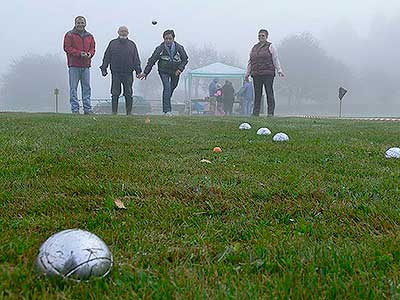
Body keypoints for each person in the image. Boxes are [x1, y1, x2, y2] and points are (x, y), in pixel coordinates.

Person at [138, 30, 188, 116]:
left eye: (170, 38)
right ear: (163, 39)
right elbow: (152, 61)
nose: (168, 40)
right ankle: (167, 111)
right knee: (167, 87)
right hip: (163, 71)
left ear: (173, 39)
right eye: (166, 39)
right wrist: (145, 73)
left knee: (172, 87)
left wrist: (180, 69)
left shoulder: (179, 48)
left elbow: (185, 59)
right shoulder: (159, 49)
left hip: (176, 72)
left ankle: (166, 101)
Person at [100, 26, 142, 115]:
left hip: (128, 73)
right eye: (122, 31)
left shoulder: (132, 44)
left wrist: (138, 71)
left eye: (125, 31)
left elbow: (136, 59)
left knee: (128, 93)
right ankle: (114, 112)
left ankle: (129, 112)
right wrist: (104, 68)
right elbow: (107, 57)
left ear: (128, 33)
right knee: (115, 93)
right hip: (116, 72)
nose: (123, 33)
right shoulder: (112, 43)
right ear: (118, 32)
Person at [246, 29, 284, 117]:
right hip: (256, 74)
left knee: (269, 92)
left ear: (266, 36)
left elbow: (275, 58)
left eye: (262, 35)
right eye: (259, 36)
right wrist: (247, 74)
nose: (260, 37)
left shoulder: (270, 46)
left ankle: (270, 113)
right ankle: (255, 113)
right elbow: (250, 61)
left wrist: (279, 70)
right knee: (257, 94)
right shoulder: (254, 47)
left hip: (268, 73)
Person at [63, 16, 96, 114]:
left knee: (86, 87)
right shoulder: (69, 35)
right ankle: (75, 109)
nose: (80, 24)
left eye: (82, 22)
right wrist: (79, 53)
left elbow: (93, 48)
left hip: (86, 65)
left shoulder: (90, 36)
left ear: (85, 24)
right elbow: (67, 48)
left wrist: (90, 54)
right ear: (75, 23)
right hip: (74, 65)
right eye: (78, 23)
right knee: (73, 88)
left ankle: (87, 109)